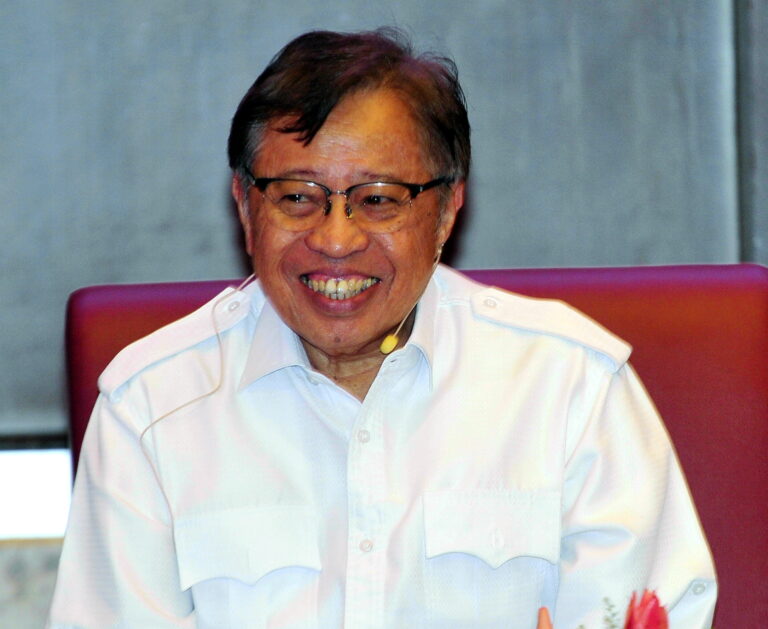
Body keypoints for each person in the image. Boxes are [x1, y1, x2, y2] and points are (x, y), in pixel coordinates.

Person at [47, 28, 717, 628]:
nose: (336, 240)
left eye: (378, 200)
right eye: (297, 197)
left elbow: (649, 609)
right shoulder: (152, 407)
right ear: (245, 207)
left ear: (447, 210)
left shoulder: (570, 387)